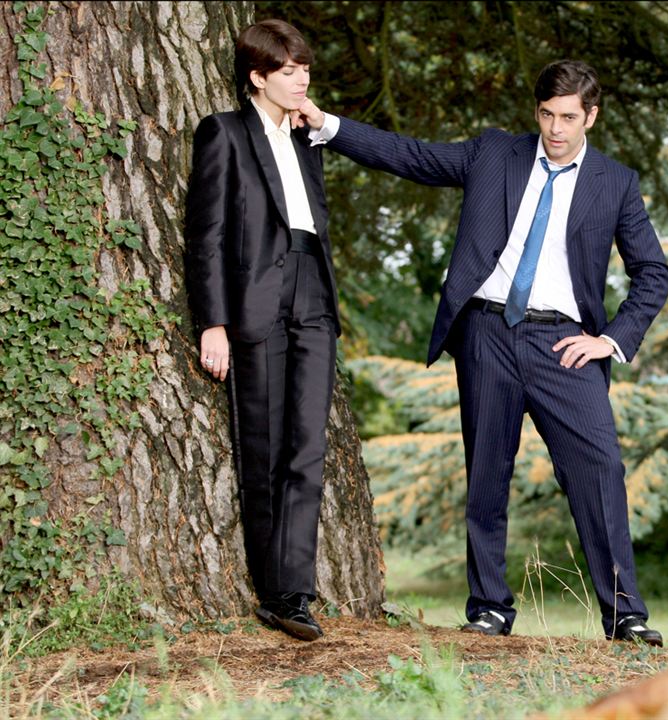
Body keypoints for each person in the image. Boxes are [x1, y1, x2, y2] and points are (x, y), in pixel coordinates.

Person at [299, 60, 668, 645]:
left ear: (591, 117)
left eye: (569, 117)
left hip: (566, 346)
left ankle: (625, 613)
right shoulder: (496, 154)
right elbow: (413, 156)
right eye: (547, 114)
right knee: (487, 473)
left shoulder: (616, 182)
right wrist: (328, 124)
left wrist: (611, 339)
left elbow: (653, 272)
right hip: (487, 334)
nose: (556, 128)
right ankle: (490, 606)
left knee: (600, 470)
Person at [183, 19, 341, 642]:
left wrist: (314, 117)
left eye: (305, 69)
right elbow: (208, 235)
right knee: (265, 448)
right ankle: (276, 592)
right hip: (254, 301)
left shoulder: (307, 139)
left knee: (307, 449)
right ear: (258, 77)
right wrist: (213, 322)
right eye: (288, 71)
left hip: (313, 295)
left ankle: (294, 590)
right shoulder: (223, 132)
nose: (301, 78)